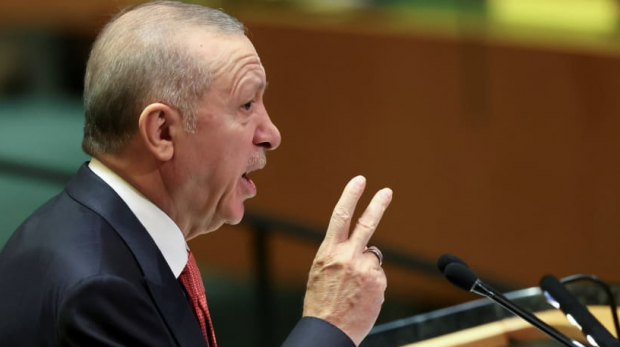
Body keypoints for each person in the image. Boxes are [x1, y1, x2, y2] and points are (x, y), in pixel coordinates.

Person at [0, 1, 393, 346]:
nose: (271, 134)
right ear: (162, 131)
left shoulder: (93, 233)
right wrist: (329, 325)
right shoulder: (101, 292)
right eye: (245, 105)